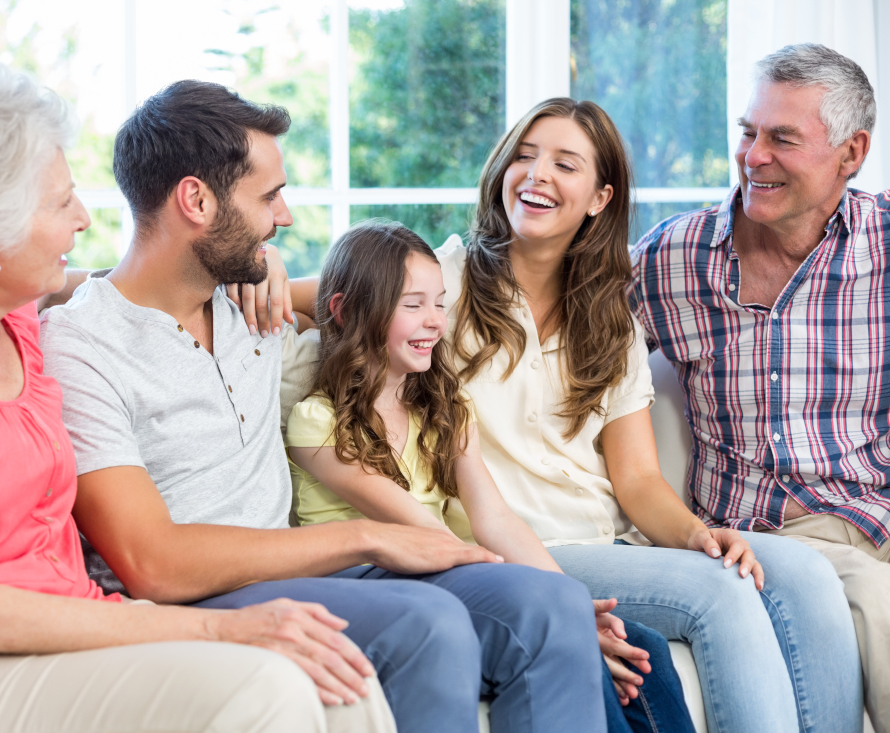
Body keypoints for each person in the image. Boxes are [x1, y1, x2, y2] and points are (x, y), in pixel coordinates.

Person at [0, 62, 398, 733]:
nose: (83, 217)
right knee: (269, 685)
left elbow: (135, 283)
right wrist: (222, 631)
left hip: (53, 627)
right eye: (60, 204)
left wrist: (256, 261)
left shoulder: (7, 311)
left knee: (339, 678)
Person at [39, 80, 608, 733]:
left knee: (554, 605)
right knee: (430, 624)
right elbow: (151, 561)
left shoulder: (250, 308)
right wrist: (367, 536)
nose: (283, 218)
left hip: (307, 569)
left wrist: (267, 267)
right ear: (196, 200)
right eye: (269, 197)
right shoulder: (83, 346)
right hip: (205, 593)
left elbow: (364, 305)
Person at [285, 97, 862, 733]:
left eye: (565, 164)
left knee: (804, 571)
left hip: (608, 539)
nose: (537, 175)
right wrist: (261, 273)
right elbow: (338, 296)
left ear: (598, 198)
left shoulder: (613, 318)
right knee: (721, 595)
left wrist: (697, 534)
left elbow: (638, 481)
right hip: (518, 544)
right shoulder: (440, 283)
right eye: (524, 158)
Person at [286, 218, 696, 733]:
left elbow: (494, 515)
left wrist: (572, 601)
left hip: (441, 570)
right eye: (413, 305)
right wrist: (556, 613)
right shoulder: (316, 424)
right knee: (573, 642)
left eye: (440, 302)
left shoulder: (445, 406)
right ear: (344, 311)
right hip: (368, 578)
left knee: (644, 647)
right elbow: (418, 529)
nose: (435, 320)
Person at [630, 42, 887, 732]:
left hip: (875, 515)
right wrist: (329, 287)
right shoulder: (673, 257)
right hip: (760, 532)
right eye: (749, 132)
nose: (754, 156)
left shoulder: (885, 247)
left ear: (851, 152)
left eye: (782, 138)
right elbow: (522, 293)